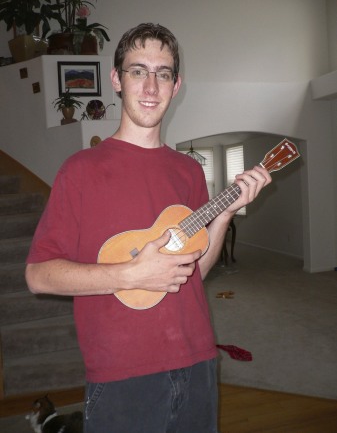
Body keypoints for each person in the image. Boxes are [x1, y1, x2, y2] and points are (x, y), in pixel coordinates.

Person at [26, 23, 271, 433]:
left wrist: (226, 212)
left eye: (163, 73)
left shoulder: (188, 170)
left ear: (176, 86)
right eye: (138, 70)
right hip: (123, 375)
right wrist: (131, 274)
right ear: (116, 79)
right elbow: (38, 276)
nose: (151, 86)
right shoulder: (80, 171)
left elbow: (194, 272)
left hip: (197, 362)